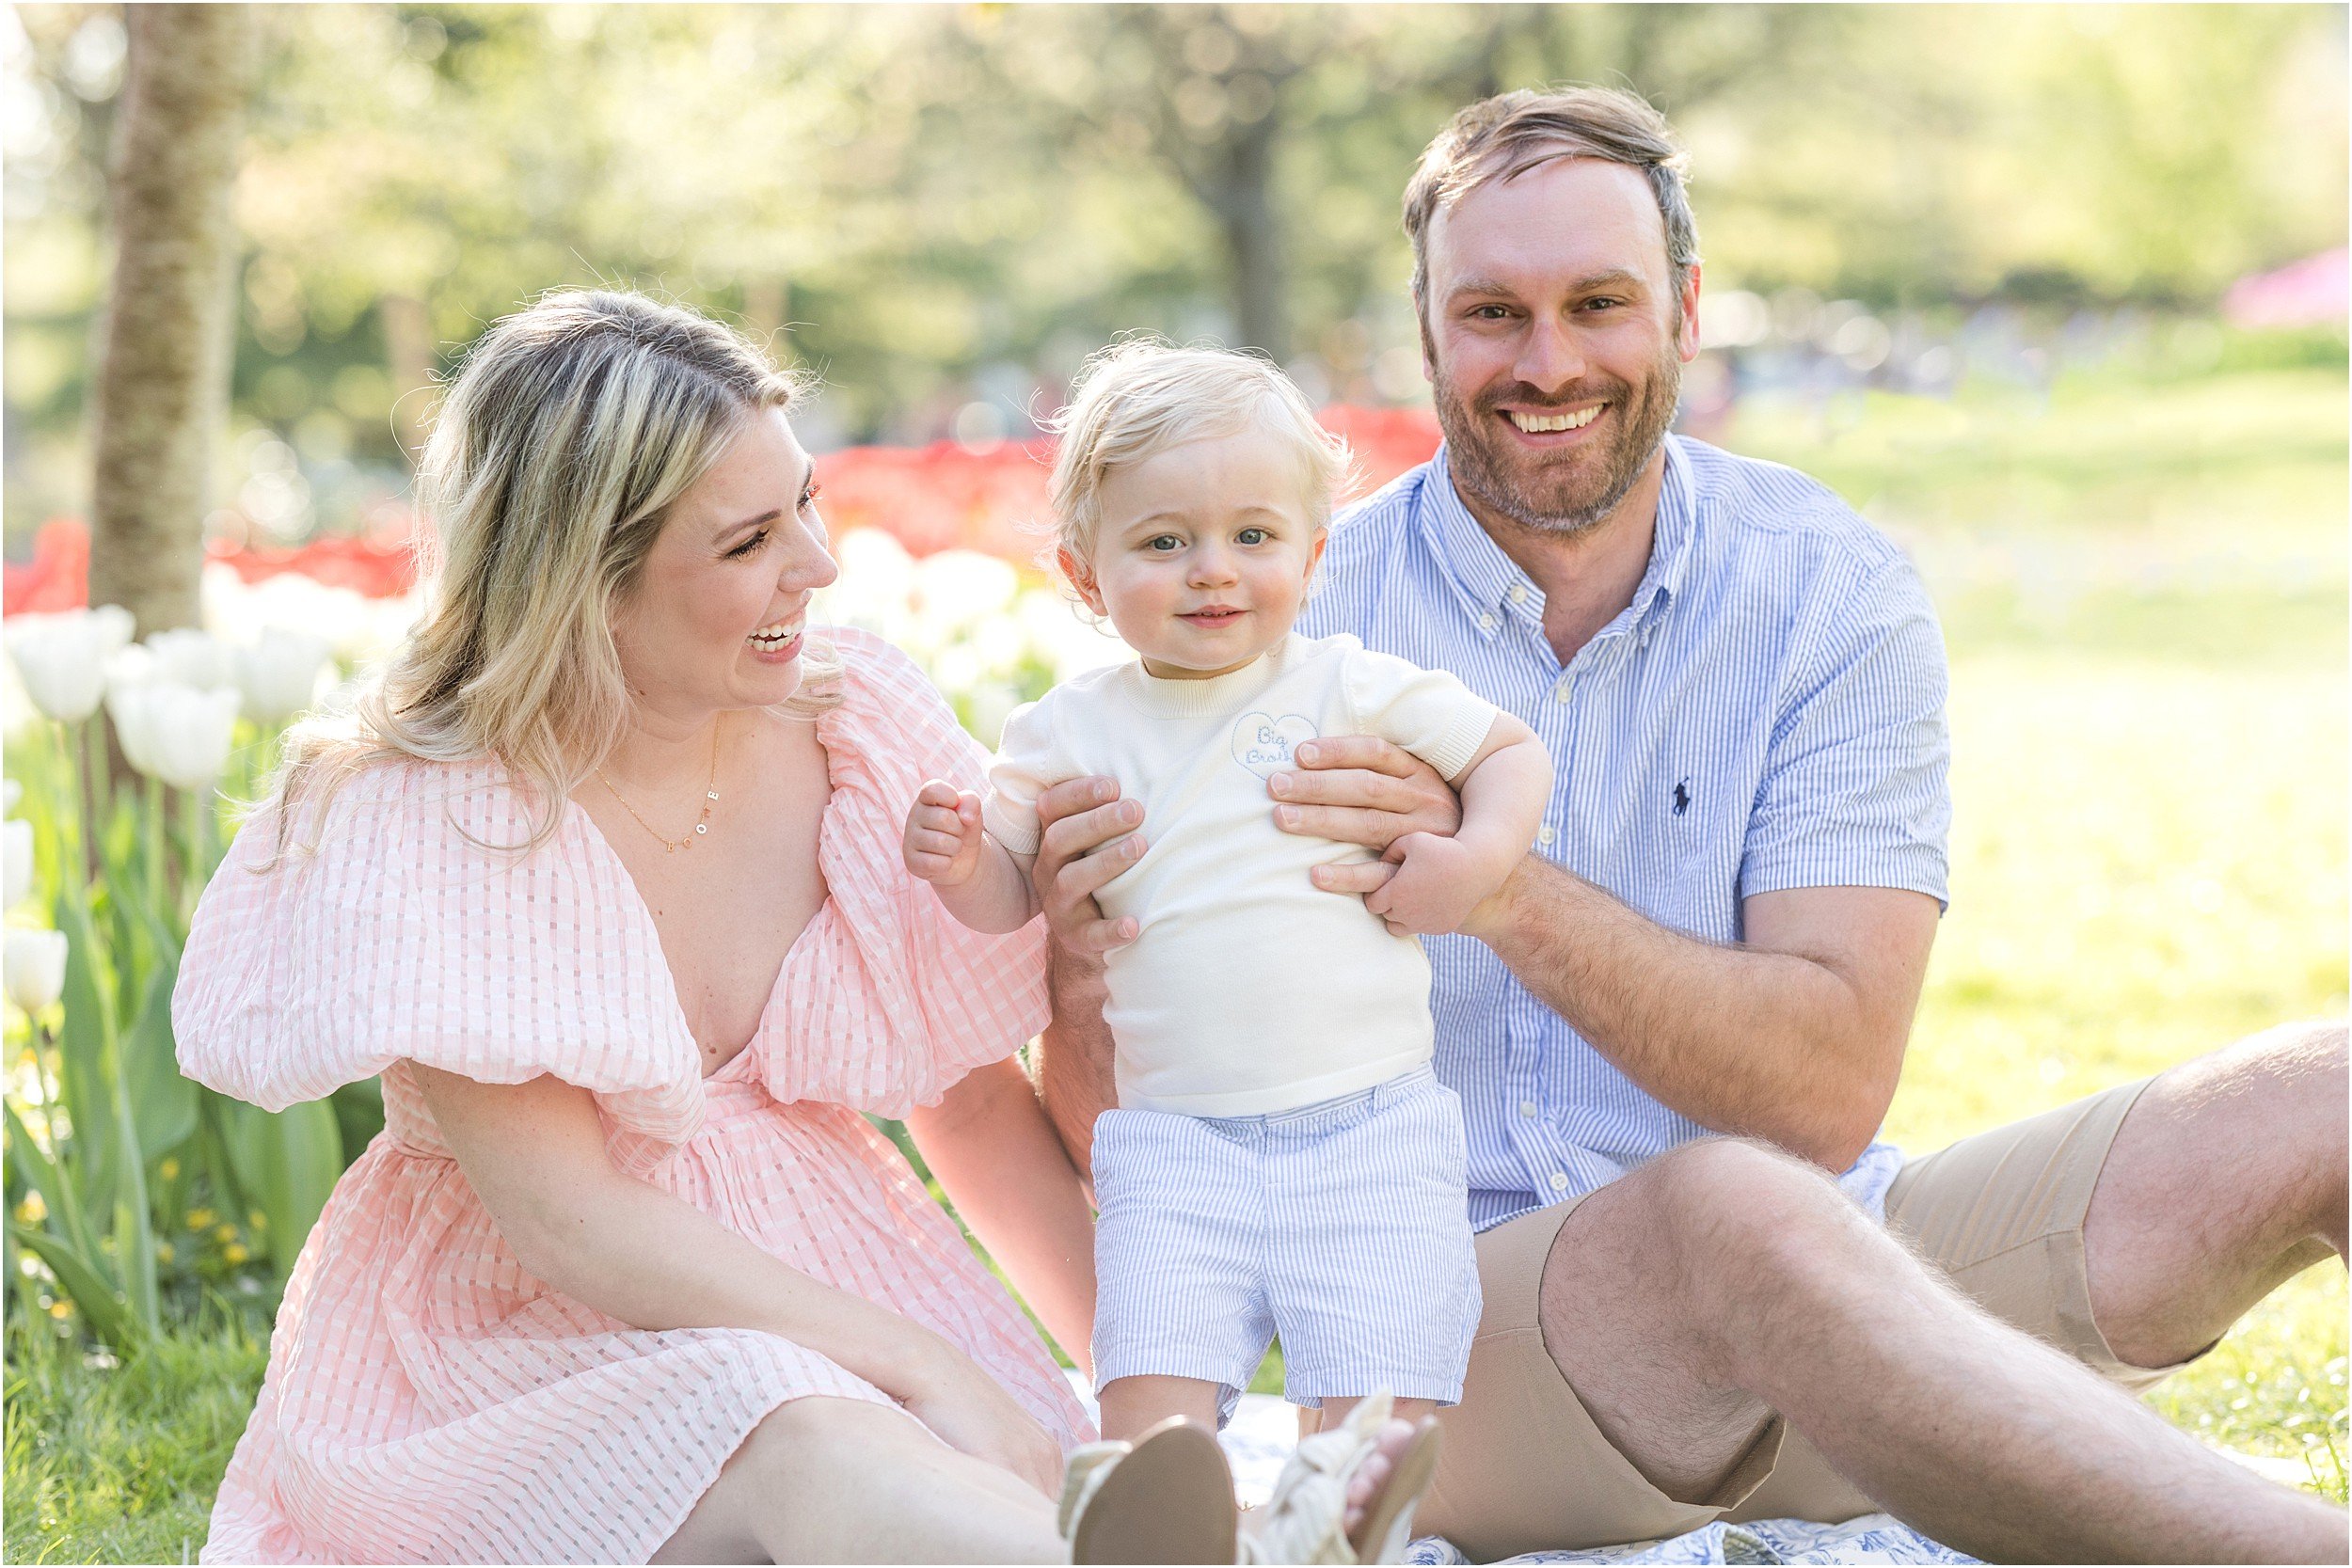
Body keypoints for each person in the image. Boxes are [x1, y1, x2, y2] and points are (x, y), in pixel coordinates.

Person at [1025, 89, 2349, 1563]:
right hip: (1466, 1357)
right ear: (1424, 328)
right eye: (1492, 312)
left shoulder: (1827, 589)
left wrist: (1503, 887)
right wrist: (1086, 976)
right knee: (1725, 1210)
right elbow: (1128, 1140)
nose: (1548, 363)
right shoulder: (1268, 609)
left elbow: (1825, 1089)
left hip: (1847, 1286)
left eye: (1599, 303)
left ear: (1686, 308)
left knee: (2334, 1086)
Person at [173, 291, 1415, 1564]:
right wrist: (922, 1363)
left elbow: (972, 1106)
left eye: (805, 503)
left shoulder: (851, 718)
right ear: (587, 574)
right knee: (806, 1431)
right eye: (749, 540)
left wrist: (1153, 1406)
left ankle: (1207, 1530)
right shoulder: (430, 808)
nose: (816, 563)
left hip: (831, 1269)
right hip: (513, 1352)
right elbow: (572, 1220)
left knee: (957, 1463)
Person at [902, 342, 1549, 1497]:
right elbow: (1012, 890)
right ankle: (1166, 1523)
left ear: (1310, 551)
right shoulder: (1068, 729)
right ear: (1085, 573)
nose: (1213, 571)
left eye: (1253, 537)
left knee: (1376, 1415)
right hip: (1176, 1141)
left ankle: (1331, 1520)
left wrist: (1475, 860)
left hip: (1369, 1126)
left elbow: (1506, 749)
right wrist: (965, 866)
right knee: (1148, 1397)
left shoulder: (1345, 681)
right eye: (1164, 542)